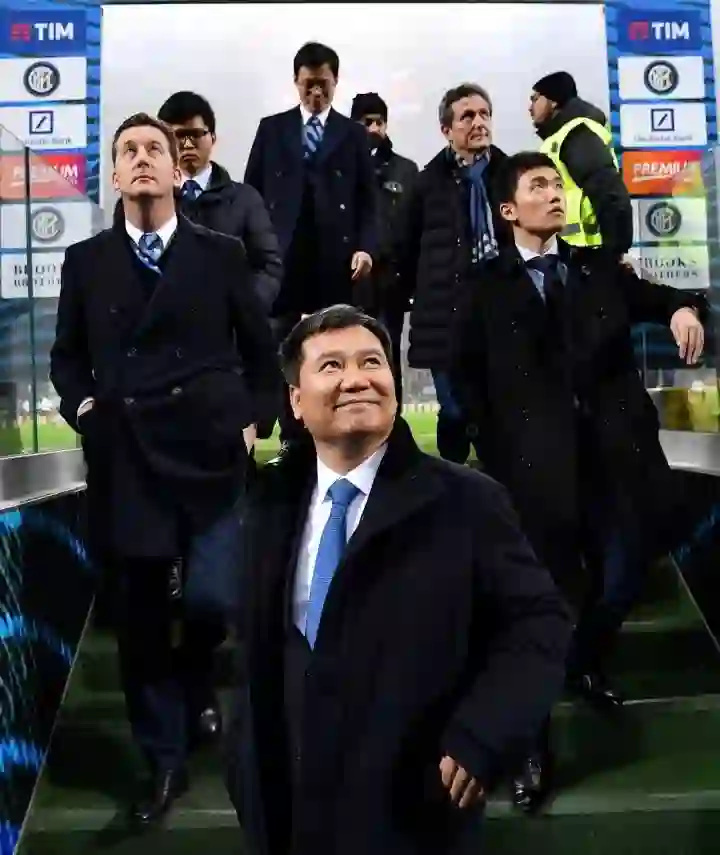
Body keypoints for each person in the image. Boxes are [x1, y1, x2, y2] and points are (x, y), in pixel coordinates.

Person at [225, 304, 572, 855]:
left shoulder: (468, 501)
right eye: (332, 365)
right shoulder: (267, 506)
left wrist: (483, 733)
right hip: (288, 814)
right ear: (296, 400)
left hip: (412, 816)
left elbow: (539, 624)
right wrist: (243, 766)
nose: (357, 379)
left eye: (372, 362)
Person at [449, 151, 705, 812]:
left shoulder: (598, 268)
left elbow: (665, 299)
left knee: (620, 577)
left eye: (557, 184)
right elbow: (464, 377)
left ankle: (585, 661)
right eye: (538, 185)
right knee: (545, 608)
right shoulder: (481, 286)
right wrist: (496, 446)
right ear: (508, 209)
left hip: (617, 465)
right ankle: (531, 747)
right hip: (535, 476)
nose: (555, 193)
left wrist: (683, 309)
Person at [50, 113, 281, 825]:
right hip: (127, 458)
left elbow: (260, 350)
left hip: (211, 453)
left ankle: (195, 677)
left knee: (213, 597)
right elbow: (66, 357)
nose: (144, 157)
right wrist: (85, 408)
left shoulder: (220, 254)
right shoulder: (85, 262)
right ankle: (164, 759)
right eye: (130, 150)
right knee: (143, 620)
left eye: (155, 148)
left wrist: (254, 420)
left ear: (177, 172)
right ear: (115, 175)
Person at [244, 41, 377, 454]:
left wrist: (366, 248)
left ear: (335, 82)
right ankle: (291, 436)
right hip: (281, 257)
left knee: (330, 344)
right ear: (296, 82)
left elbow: (369, 201)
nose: (316, 92)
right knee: (284, 346)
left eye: (323, 83)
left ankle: (333, 432)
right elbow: (251, 194)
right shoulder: (272, 129)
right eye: (308, 84)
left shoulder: (353, 135)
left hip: (334, 260)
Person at [393, 83, 507, 463]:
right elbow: (403, 249)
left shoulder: (511, 175)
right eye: (467, 116)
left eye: (484, 114)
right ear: (447, 130)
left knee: (495, 412)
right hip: (444, 317)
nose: (479, 123)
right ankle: (450, 477)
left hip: (499, 313)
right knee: (455, 410)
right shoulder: (425, 184)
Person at [157, 90, 282, 312]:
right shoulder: (149, 201)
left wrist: (242, 310)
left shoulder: (246, 200)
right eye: (178, 136)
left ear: (212, 138)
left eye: (196, 134)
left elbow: (269, 267)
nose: (187, 144)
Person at [350, 91, 418, 405]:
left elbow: (415, 231)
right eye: (367, 122)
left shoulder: (406, 171)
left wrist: (413, 283)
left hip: (391, 286)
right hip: (348, 285)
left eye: (380, 122)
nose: (375, 128)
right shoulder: (336, 171)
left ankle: (392, 426)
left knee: (387, 360)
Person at [530, 71, 633, 256]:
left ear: (553, 101)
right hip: (572, 256)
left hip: (589, 256)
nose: (530, 108)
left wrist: (613, 253)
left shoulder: (576, 134)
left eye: (535, 99)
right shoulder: (559, 138)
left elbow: (609, 192)